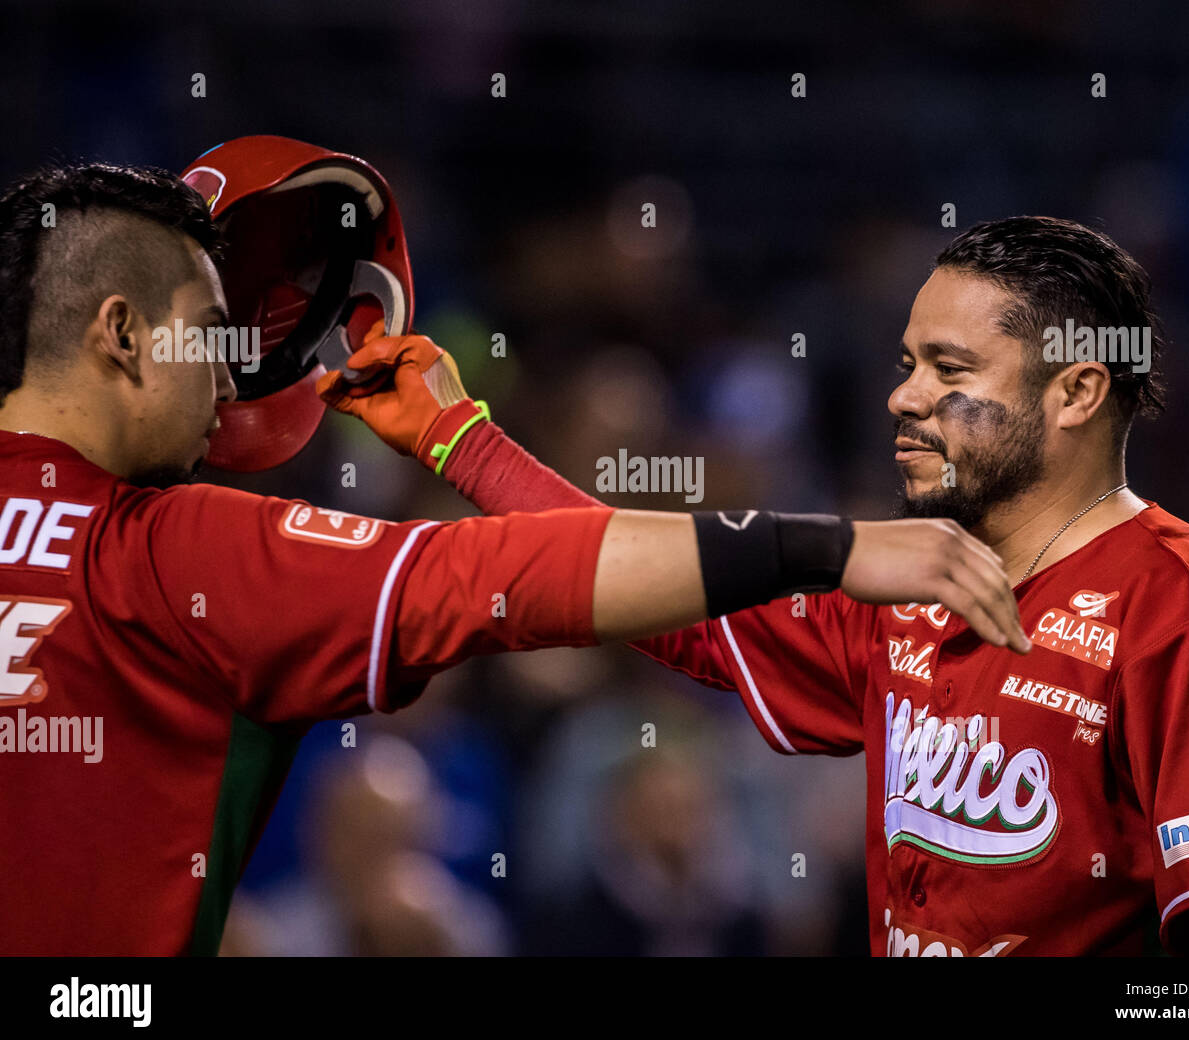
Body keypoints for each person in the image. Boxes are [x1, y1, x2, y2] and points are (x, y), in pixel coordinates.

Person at [0, 161, 1026, 955]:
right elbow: (516, 580)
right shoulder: (175, 548)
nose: (230, 376)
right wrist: (833, 545)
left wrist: (465, 444)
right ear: (123, 335)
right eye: (210, 333)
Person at [325, 216, 1189, 956]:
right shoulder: (910, 587)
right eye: (907, 363)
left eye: (948, 368)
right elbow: (653, 589)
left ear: (1078, 391)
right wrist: (461, 442)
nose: (904, 395)